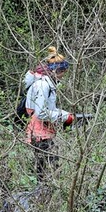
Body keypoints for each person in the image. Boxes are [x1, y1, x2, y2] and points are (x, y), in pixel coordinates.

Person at [23, 46, 74, 181]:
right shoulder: (42, 85)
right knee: (48, 168)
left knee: (44, 166)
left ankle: (42, 191)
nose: (64, 75)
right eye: (63, 72)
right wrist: (65, 116)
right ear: (56, 70)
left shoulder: (47, 82)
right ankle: (43, 193)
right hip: (39, 132)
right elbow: (41, 112)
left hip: (43, 130)